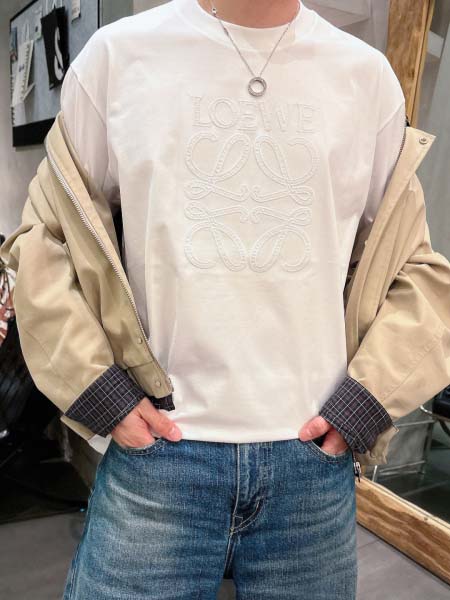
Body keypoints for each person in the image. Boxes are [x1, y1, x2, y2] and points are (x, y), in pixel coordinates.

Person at [38, 0, 410, 597]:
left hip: (311, 465)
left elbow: (413, 266)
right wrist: (97, 388)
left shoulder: (366, 79)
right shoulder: (118, 58)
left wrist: (369, 399)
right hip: (160, 455)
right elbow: (46, 240)